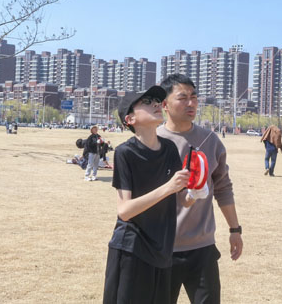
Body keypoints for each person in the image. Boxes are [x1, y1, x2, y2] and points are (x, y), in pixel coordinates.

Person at [157, 74, 243, 304]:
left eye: (194, 97)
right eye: (182, 98)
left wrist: (235, 229)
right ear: (165, 104)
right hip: (161, 248)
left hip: (202, 248)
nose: (191, 103)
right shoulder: (153, 142)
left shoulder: (211, 140)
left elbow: (223, 188)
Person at [103, 86, 192, 304]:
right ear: (130, 119)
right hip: (132, 248)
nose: (156, 104)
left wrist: (196, 192)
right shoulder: (125, 153)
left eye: (156, 100)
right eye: (146, 101)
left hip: (162, 250)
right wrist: (168, 187)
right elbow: (124, 211)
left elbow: (182, 199)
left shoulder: (170, 149)